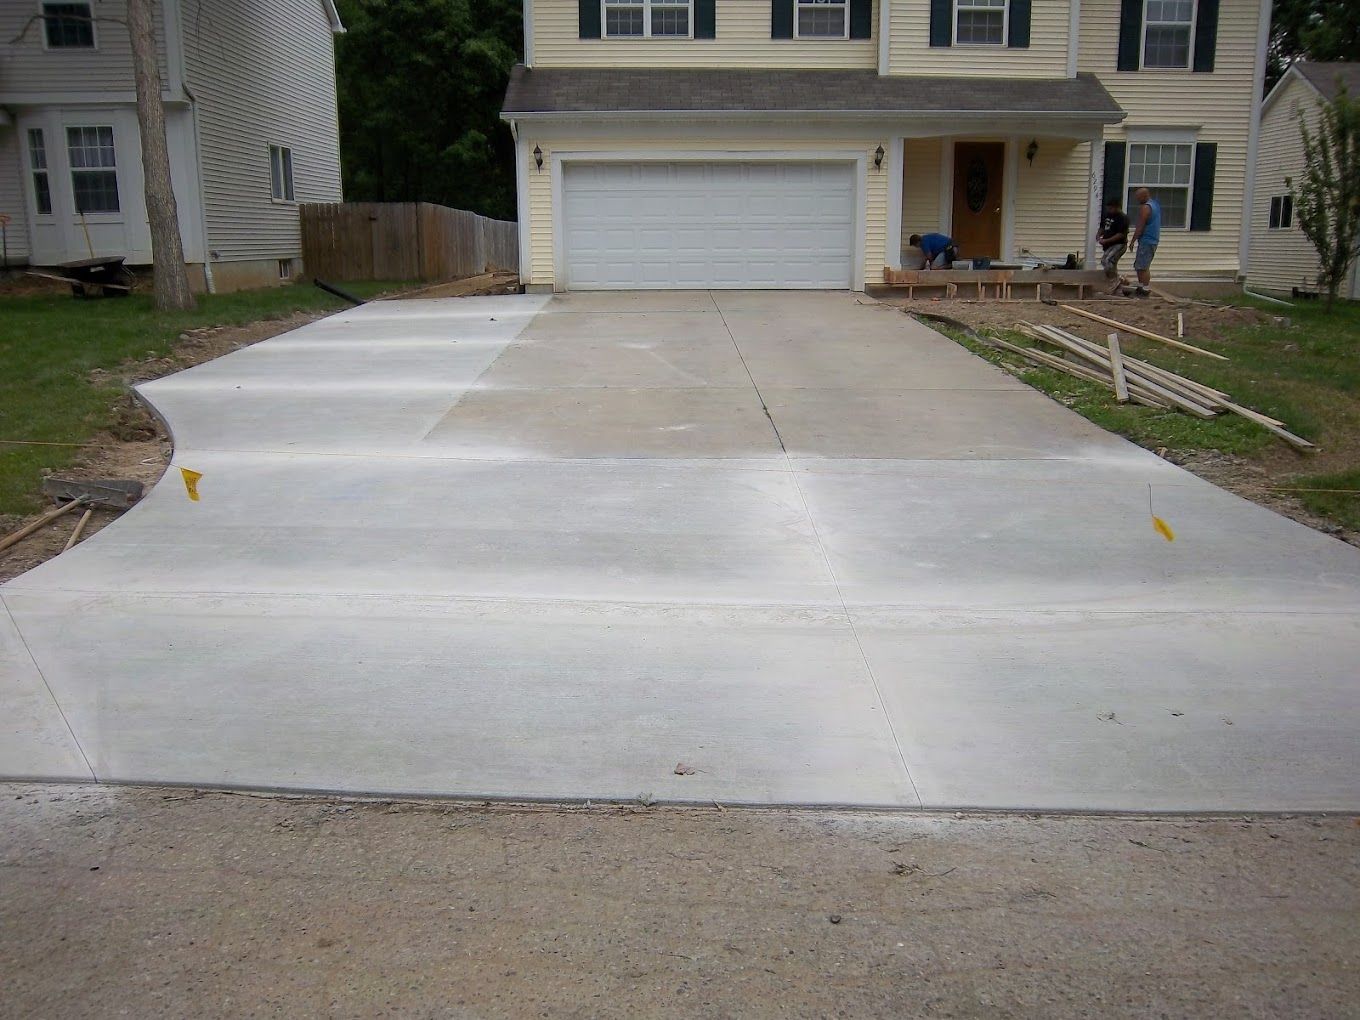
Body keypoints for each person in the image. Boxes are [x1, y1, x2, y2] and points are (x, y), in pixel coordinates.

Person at [1129, 186, 1161, 297]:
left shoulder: (1146, 207)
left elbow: (1140, 226)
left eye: (1138, 197)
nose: (1137, 200)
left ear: (1144, 196)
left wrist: (1133, 241)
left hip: (1147, 240)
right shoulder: (1155, 204)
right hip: (1152, 239)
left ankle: (1144, 289)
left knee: (1142, 266)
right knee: (1141, 265)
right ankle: (1142, 287)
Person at [1096, 198, 1129, 280]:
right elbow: (1102, 227)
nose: (1109, 210)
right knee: (1105, 261)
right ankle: (1113, 280)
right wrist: (1098, 235)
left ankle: (1115, 279)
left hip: (1119, 245)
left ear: (1117, 207)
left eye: (1111, 208)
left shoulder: (1123, 218)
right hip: (1108, 245)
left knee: (1108, 261)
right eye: (1108, 208)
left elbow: (1121, 234)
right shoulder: (1108, 215)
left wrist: (1106, 240)